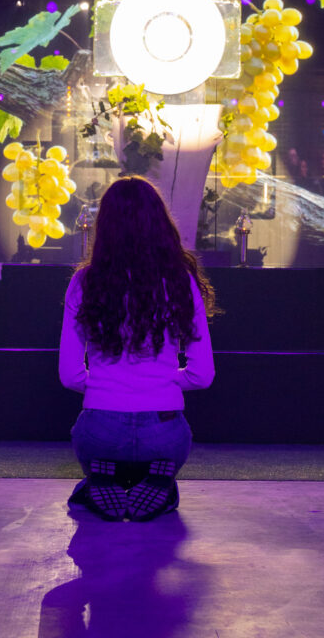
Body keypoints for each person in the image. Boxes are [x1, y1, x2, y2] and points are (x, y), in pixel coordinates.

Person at [59, 176, 215, 522]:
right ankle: (158, 483)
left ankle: (103, 480)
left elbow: (69, 376)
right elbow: (202, 376)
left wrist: (109, 383)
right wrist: (162, 379)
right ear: (161, 223)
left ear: (105, 226)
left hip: (100, 430)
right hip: (165, 433)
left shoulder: (84, 282)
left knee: (98, 459)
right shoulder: (181, 281)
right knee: (161, 460)